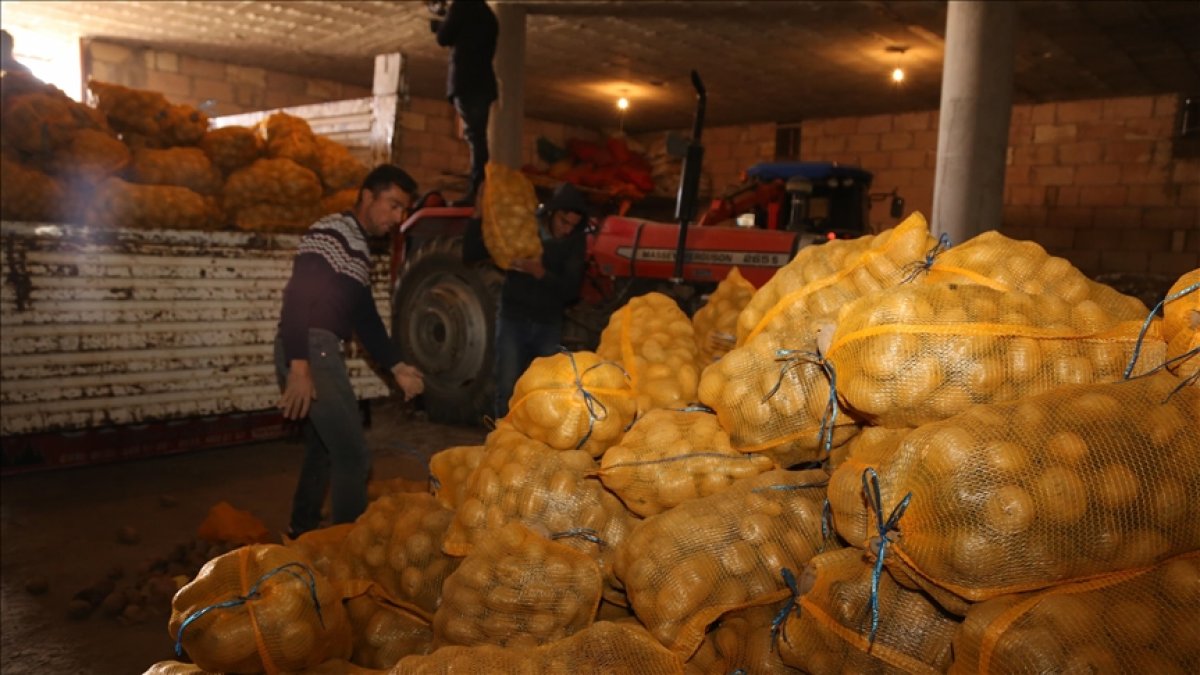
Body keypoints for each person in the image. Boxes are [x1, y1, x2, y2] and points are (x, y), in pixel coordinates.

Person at [275, 164, 425, 537]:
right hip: (312, 348)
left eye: (402, 210)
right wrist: (299, 366)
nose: (397, 218)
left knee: (324, 448)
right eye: (392, 205)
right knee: (353, 455)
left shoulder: (357, 246)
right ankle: (346, 554)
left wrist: (397, 366)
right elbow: (298, 295)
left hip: (316, 349)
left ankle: (302, 531)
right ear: (366, 196)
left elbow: (365, 316)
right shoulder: (333, 231)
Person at [465, 181, 590, 418]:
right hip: (513, 320)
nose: (567, 230)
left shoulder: (574, 243)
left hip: (548, 326)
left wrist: (540, 273)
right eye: (564, 222)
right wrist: (477, 214)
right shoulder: (523, 228)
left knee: (543, 391)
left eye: (573, 226)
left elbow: (571, 290)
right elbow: (471, 253)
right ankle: (503, 439)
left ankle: (533, 444)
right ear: (553, 213)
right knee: (507, 387)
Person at [432, 0, 498, 205]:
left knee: (475, 138)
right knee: (477, 138)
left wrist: (438, 24)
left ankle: (476, 193)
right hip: (483, 83)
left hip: (467, 82)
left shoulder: (462, 6)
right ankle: (479, 190)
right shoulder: (488, 15)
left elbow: (444, 38)